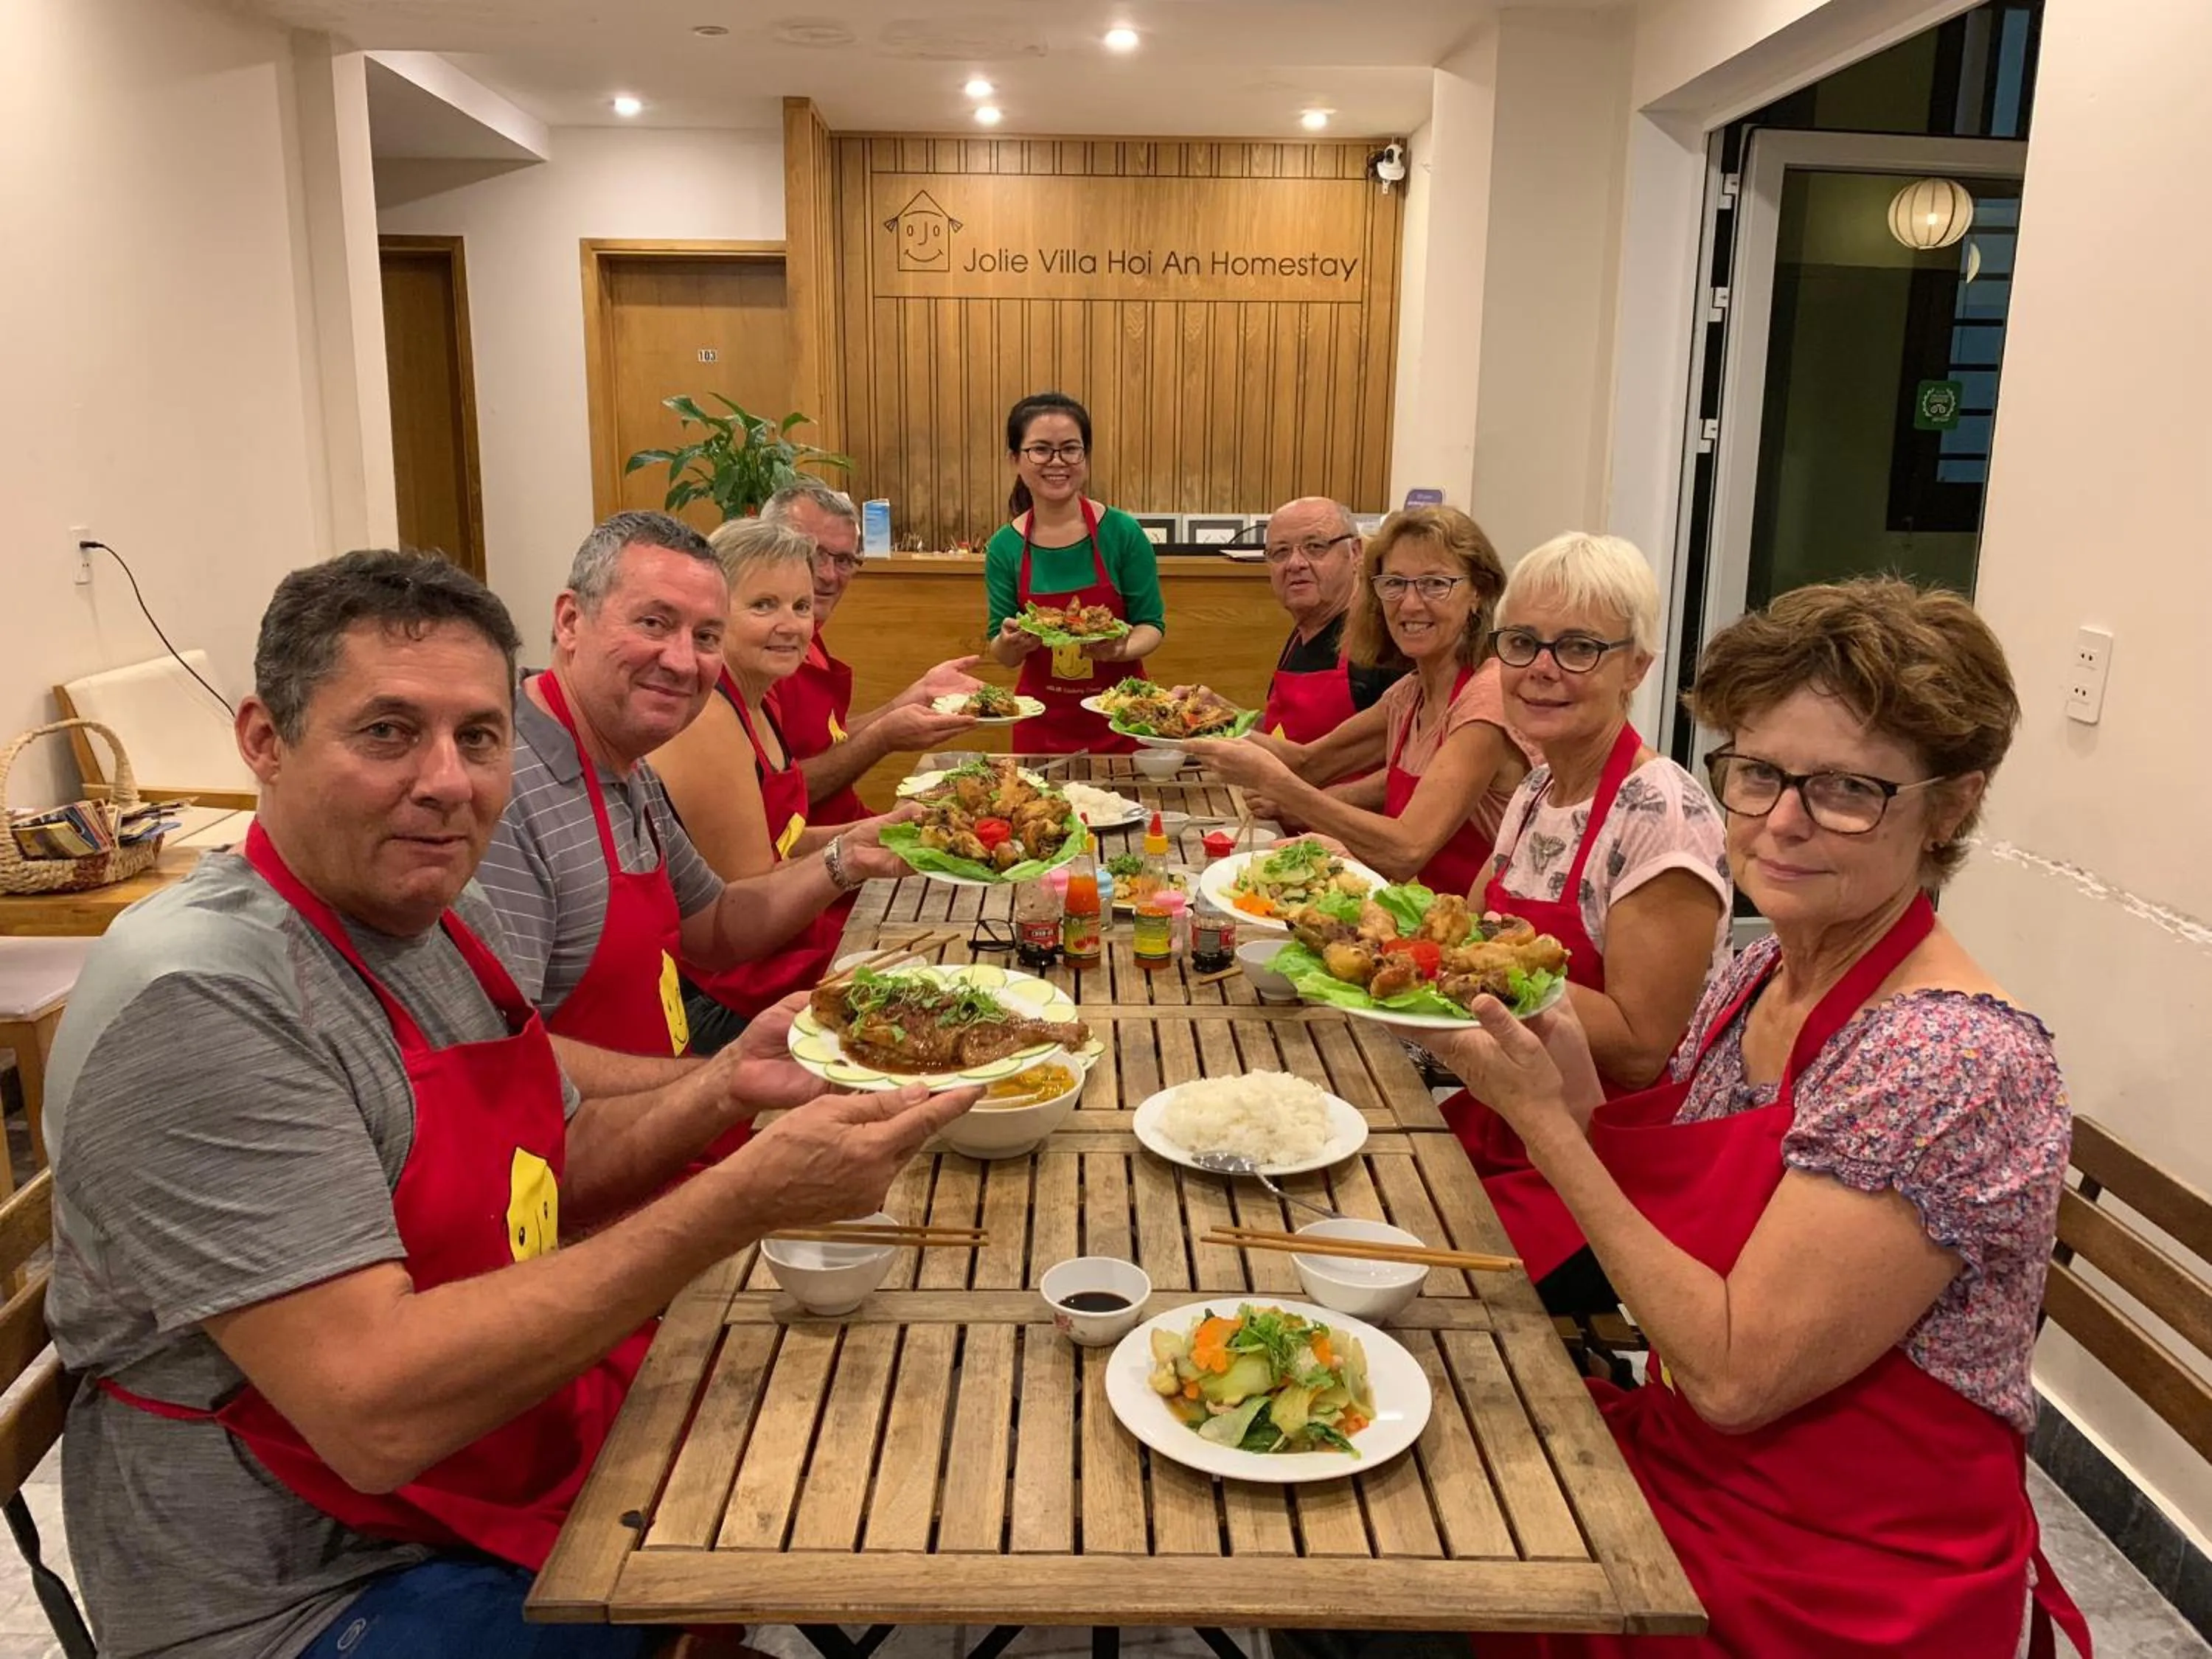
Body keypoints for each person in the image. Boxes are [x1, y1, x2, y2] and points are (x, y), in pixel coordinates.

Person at [44, 549, 979, 1659]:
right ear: (264, 739)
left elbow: (559, 1146)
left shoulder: (422, 920)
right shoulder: (204, 997)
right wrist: (740, 1197)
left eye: (479, 737)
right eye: (388, 731)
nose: (448, 781)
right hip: (312, 1582)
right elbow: (374, 1407)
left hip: (483, 1451)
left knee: (859, 1416)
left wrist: (731, 1083)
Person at [1426, 577, 2087, 1657]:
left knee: (1414, 1562)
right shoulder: (1757, 973)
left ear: (1952, 804)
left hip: (1838, 1564)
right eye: (1760, 772)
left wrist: (1545, 1125)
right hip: (1710, 1459)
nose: (1781, 821)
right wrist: (1566, 1076)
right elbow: (1682, 1214)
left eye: (1846, 790)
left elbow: (1735, 1375)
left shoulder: (1950, 1058)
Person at [477, 510, 908, 1078]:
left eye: (706, 636)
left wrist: (847, 858)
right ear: (569, 620)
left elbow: (714, 925)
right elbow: (502, 1061)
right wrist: (720, 1081)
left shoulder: (630, 767)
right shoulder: (499, 793)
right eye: (654, 623)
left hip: (671, 1094)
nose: (682, 661)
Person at [1439, 533, 1732, 1312]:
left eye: (1578, 648)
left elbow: (1642, 1045)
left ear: (1636, 666)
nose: (1541, 668)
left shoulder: (1660, 811)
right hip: (1505, 1113)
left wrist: (1475, 981)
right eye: (1523, 643)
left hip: (1598, 1169)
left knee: (1421, 1284)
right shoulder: (1540, 788)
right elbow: (1461, 934)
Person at [652, 518, 901, 1054]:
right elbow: (745, 913)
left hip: (782, 951)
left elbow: (779, 838)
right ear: (714, 616)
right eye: (763, 606)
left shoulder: (758, 699)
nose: (790, 624)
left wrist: (881, 830)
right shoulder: (709, 719)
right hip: (736, 999)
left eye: (801, 606)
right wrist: (848, 858)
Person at [1188, 507, 1533, 890]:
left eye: (1435, 583)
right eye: (1395, 584)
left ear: (1478, 593)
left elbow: (1407, 849)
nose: (1411, 603)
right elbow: (1311, 762)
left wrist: (1277, 786)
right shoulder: (1409, 695)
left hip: (1482, 931)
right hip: (1418, 913)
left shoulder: (1487, 700)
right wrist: (1200, 721)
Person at [759, 478, 983, 821]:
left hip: (846, 826)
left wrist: (912, 698)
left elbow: (826, 741)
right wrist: (883, 738)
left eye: (845, 560)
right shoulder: (753, 658)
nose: (829, 575)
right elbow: (774, 799)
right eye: (814, 553)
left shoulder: (808, 636)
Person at [983, 391, 1165, 752]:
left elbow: (1152, 625)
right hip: (1040, 728)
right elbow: (1002, 654)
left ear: (1085, 456)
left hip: (1124, 719)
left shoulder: (1123, 533)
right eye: (1040, 449)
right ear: (1014, 459)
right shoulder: (1004, 547)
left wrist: (1121, 648)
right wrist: (1010, 642)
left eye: (1070, 448)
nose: (1057, 461)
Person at [1257, 496, 1405, 745]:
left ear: (1355, 552)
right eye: (1281, 552)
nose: (1295, 564)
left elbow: (1404, 761)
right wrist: (1224, 716)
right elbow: (1286, 733)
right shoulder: (1304, 630)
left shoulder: (1383, 641)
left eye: (1315, 547)